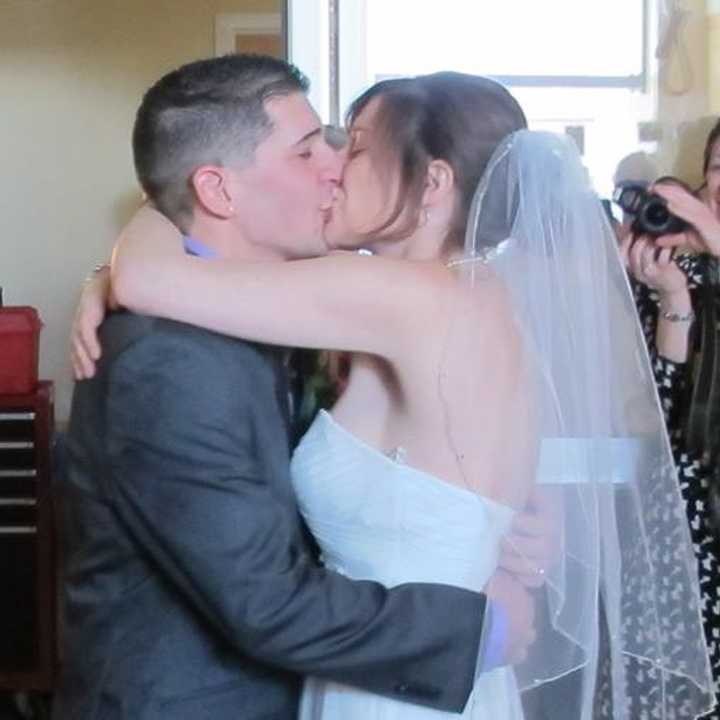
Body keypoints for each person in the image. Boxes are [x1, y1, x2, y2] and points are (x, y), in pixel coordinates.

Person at [72, 66, 714, 718]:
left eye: (353, 146)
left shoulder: (396, 297)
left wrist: (140, 234)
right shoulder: (473, 297)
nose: (333, 167)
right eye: (318, 147)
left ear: (433, 181)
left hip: (398, 679)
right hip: (425, 667)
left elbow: (151, 282)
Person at [622, 117, 720, 719]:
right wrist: (673, 303)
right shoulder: (672, 266)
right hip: (682, 512)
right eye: (715, 170)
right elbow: (653, 410)